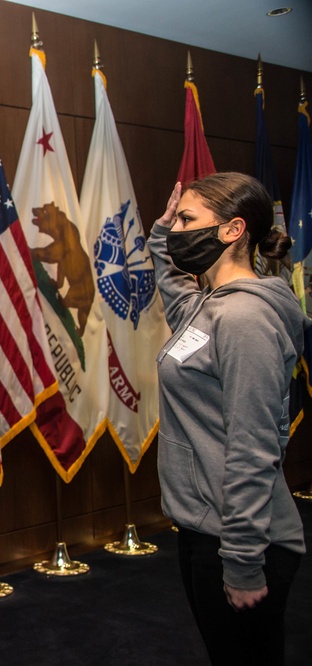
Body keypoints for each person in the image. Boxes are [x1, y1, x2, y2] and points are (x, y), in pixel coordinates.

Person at [149, 172, 307, 665]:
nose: (177, 231)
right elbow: (175, 291)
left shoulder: (244, 320)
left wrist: (241, 562)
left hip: (243, 540)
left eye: (186, 220)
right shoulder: (208, 307)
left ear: (233, 230)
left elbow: (253, 448)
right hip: (206, 527)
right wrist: (160, 235)